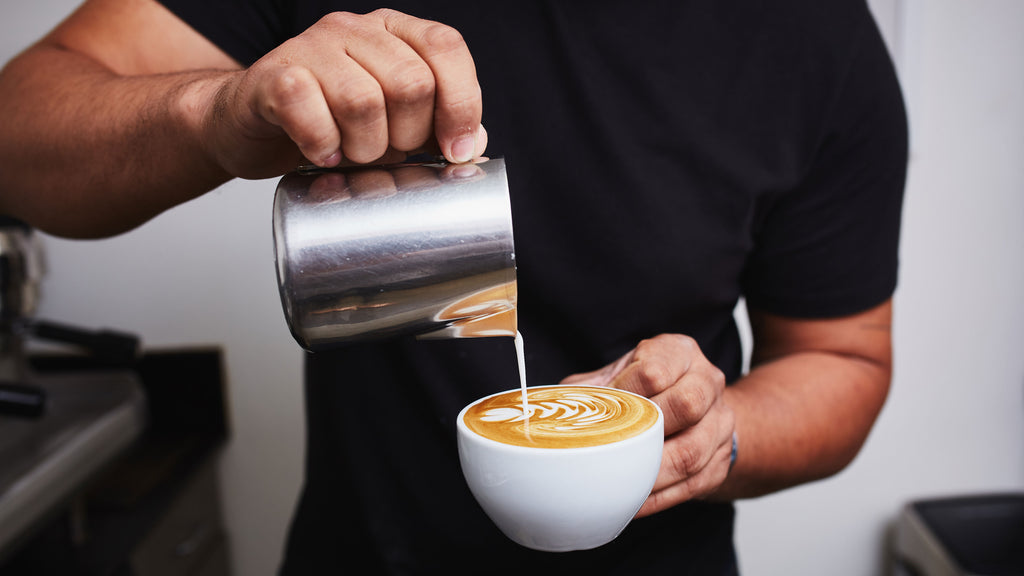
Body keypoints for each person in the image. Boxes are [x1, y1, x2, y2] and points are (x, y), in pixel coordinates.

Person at [0, 0, 907, 573]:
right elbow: (17, 133)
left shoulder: (813, 36)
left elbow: (841, 356)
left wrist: (720, 435)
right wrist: (216, 111)